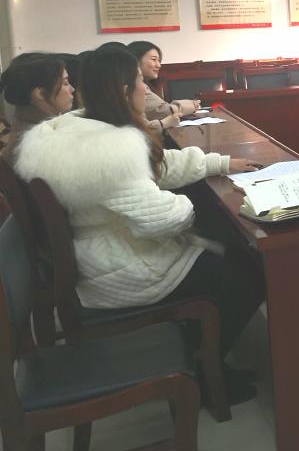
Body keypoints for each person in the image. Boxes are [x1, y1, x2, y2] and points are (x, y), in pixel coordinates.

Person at [14, 47, 265, 402]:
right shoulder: (104, 151)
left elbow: (154, 167)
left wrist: (218, 163)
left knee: (227, 247)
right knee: (246, 275)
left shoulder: (82, 127)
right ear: (123, 90)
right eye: (139, 83)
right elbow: (160, 220)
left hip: (105, 252)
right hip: (119, 268)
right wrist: (201, 205)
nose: (145, 89)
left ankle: (198, 353)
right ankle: (206, 375)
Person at [0, 52, 74, 159]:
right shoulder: (39, 146)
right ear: (40, 94)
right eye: (65, 83)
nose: (72, 89)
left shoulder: (26, 128)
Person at [126, 40, 201, 133]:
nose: (159, 65)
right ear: (136, 60)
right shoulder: (134, 86)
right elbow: (164, 111)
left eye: (159, 60)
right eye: (154, 60)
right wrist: (193, 105)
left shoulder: (150, 83)